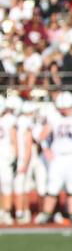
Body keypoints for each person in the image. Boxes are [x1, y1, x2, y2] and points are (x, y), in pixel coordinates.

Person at [35, 92, 72, 225]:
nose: (64, 110)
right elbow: (41, 135)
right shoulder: (54, 117)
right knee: (52, 187)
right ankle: (47, 214)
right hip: (58, 157)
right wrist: (46, 149)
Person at [0, 95, 15, 225]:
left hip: (5, 157)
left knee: (6, 185)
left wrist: (14, 155)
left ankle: (7, 212)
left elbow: (13, 138)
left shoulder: (9, 120)